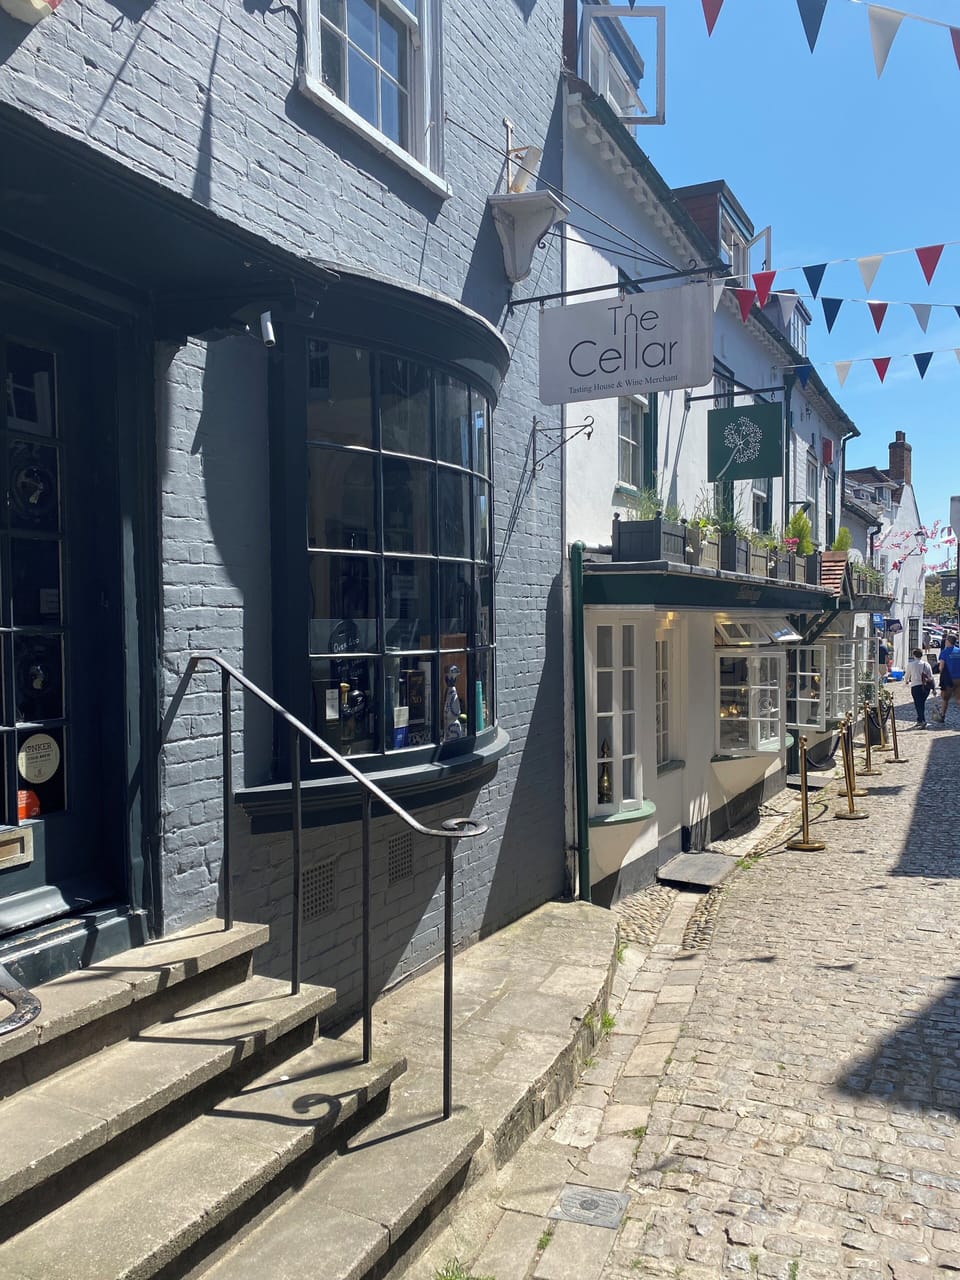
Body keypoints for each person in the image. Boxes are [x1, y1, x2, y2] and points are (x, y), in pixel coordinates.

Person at [905, 647, 934, 727]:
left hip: (915, 686)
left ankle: (922, 720)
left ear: (914, 655)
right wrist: (933, 688)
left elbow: (907, 675)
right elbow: (931, 677)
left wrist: (906, 682)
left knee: (918, 704)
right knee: (922, 703)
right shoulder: (926, 664)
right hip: (926, 687)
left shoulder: (911, 665)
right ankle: (920, 719)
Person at [937, 633, 960, 724]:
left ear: (948, 641)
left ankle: (942, 716)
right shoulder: (959, 651)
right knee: (959, 699)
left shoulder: (945, 652)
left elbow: (941, 667)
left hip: (949, 679)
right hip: (959, 678)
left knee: (945, 699)